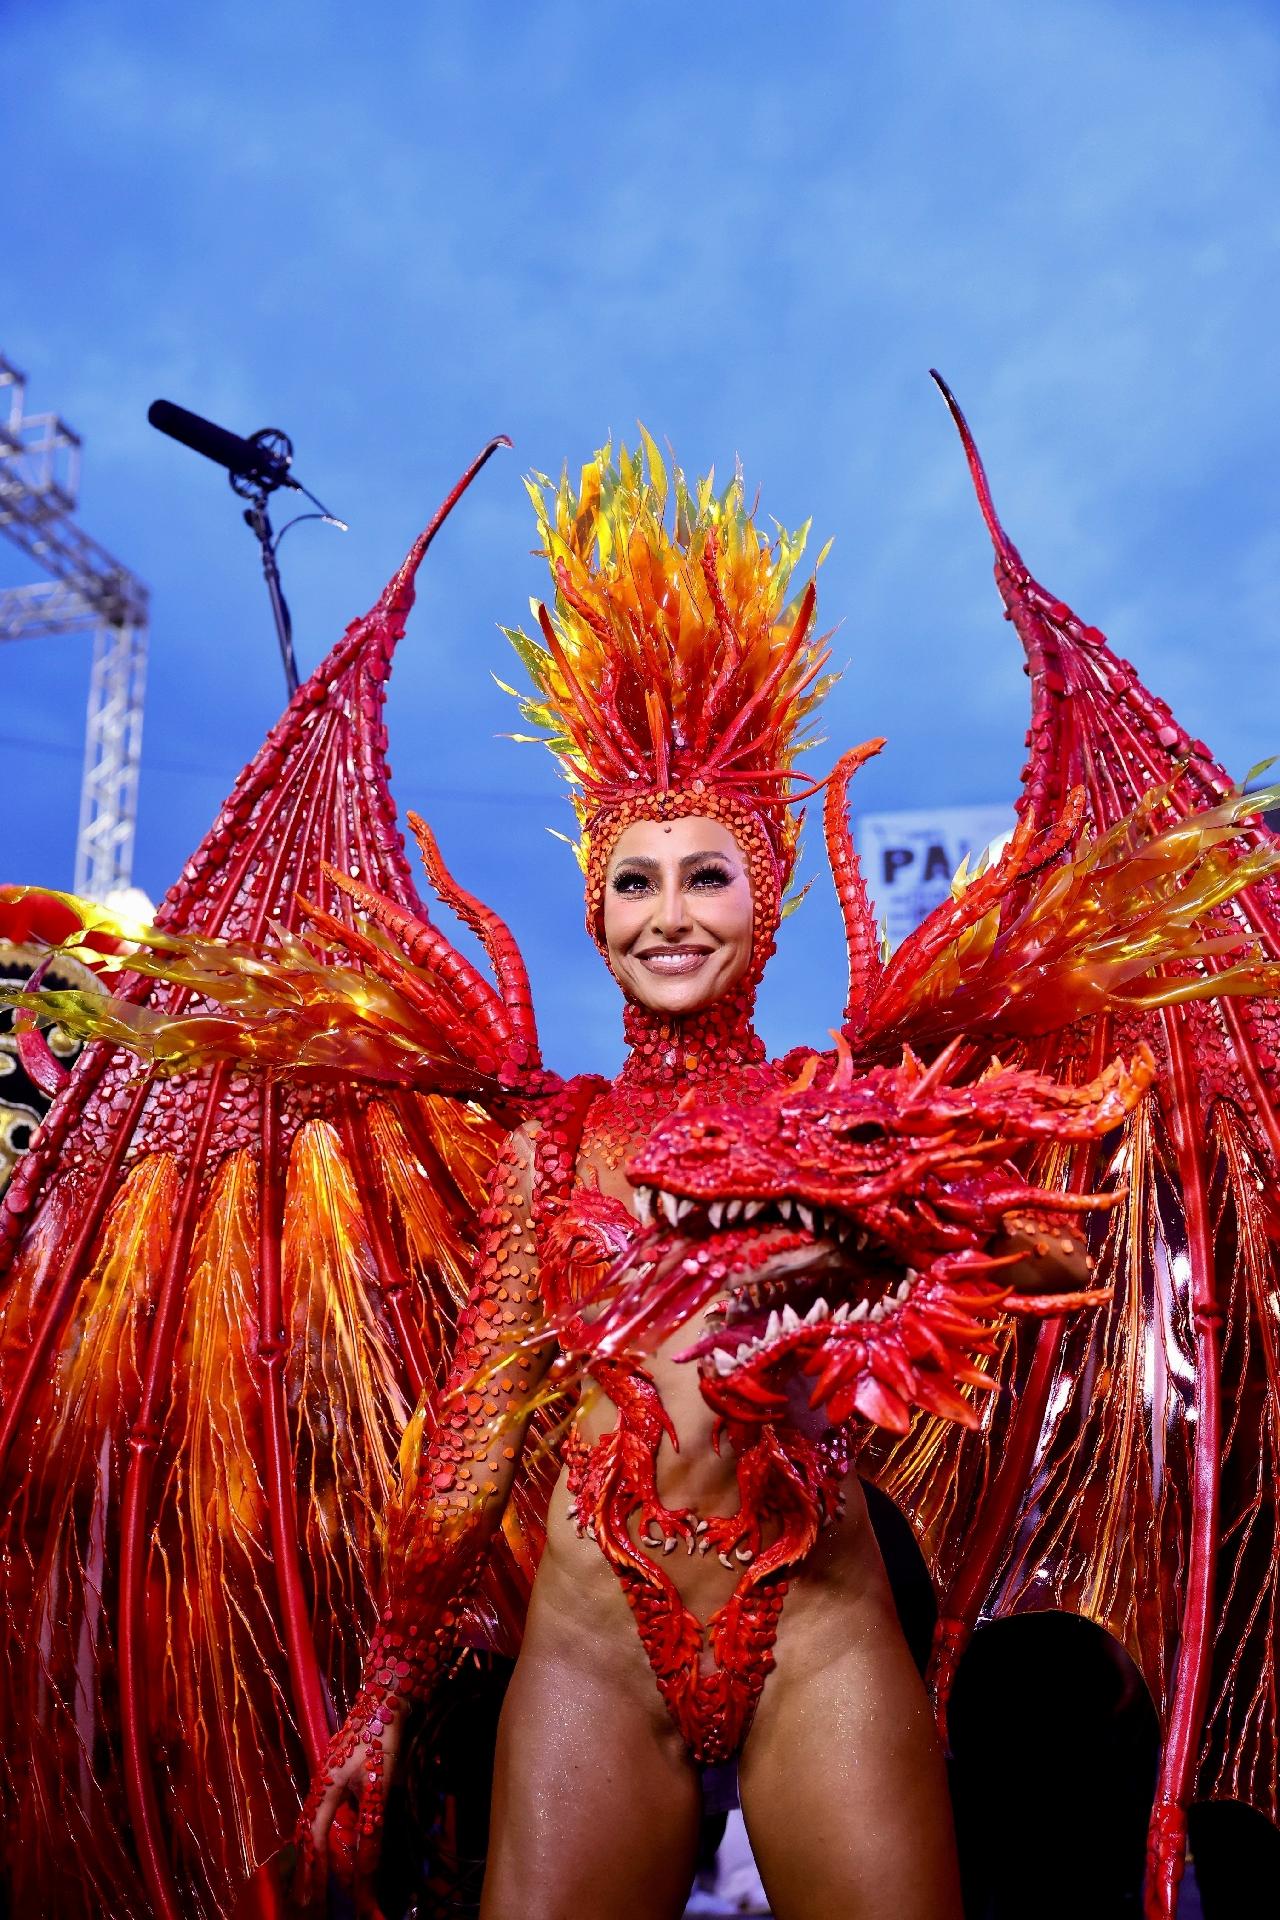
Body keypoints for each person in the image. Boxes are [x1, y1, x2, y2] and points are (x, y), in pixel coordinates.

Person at [294, 445, 1091, 1920]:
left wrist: (888, 1232)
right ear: (593, 907)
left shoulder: (837, 1109)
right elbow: (473, 1434)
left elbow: (1048, 1268)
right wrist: (388, 1689)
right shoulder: (558, 1143)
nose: (669, 915)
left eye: (706, 874)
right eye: (635, 879)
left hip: (819, 1618)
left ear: (769, 891)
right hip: (599, 1635)